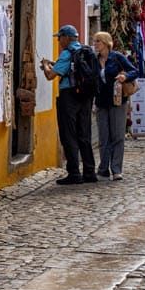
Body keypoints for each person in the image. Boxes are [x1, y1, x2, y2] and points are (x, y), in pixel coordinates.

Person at [40, 25, 97, 184]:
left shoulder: (67, 54)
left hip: (69, 97)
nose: (58, 41)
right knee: (84, 134)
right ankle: (90, 171)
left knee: (69, 134)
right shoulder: (86, 51)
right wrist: (54, 63)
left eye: (60, 37)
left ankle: (74, 173)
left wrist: (45, 65)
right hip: (85, 97)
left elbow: (51, 75)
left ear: (66, 37)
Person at [90, 31, 138, 181]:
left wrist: (125, 76)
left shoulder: (116, 57)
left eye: (98, 41)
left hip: (117, 101)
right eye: (94, 41)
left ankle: (116, 169)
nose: (95, 44)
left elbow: (134, 71)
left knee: (117, 135)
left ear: (105, 43)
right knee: (104, 137)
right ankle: (103, 169)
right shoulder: (94, 60)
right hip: (101, 102)